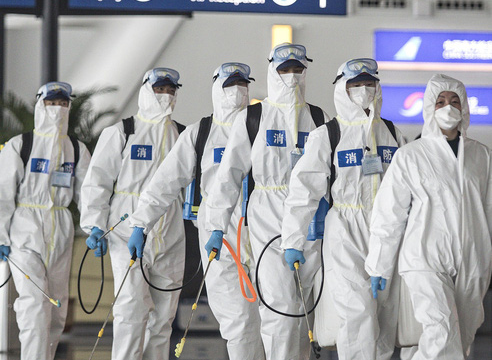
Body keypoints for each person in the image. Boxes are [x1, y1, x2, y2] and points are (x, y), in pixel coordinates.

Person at [127, 63, 265, 359]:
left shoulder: (263, 127)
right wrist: (141, 223)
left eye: (242, 84)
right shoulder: (200, 134)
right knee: (238, 320)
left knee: (274, 319)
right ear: (217, 88)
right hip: (219, 234)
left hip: (263, 227)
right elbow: (165, 182)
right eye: (230, 84)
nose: (237, 90)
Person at [204, 44, 329, 360]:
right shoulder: (254, 116)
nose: (292, 76)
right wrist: (216, 225)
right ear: (273, 71)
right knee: (279, 307)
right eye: (285, 69)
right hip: (267, 216)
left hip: (310, 220)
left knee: (303, 313)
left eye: (298, 69)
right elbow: (229, 174)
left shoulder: (318, 118)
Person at [282, 58, 405, 360]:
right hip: (345, 231)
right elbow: (304, 189)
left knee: (385, 314)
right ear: (342, 88)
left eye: (369, 83)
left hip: (387, 231)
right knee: (356, 312)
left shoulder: (392, 133)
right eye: (355, 84)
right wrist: (293, 240)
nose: (363, 90)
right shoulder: (328, 134)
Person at [366, 74, 492, 360]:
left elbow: (488, 210)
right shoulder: (411, 155)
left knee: (461, 340)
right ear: (429, 108)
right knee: (442, 332)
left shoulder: (482, 156)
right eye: (440, 101)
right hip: (425, 257)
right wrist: (379, 265)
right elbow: (389, 213)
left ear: (465, 107)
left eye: (455, 101)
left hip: (472, 260)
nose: (448, 107)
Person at [81, 67, 185, 360]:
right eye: (160, 89)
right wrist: (95, 225)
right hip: (126, 228)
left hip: (170, 229)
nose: (165, 95)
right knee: (130, 309)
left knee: (164, 316)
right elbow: (98, 181)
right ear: (146, 90)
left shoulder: (182, 135)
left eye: (171, 90)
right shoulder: (122, 132)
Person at [0, 82, 91, 359]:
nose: (58, 109)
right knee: (34, 302)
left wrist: (95, 227)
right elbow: (1, 193)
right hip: (25, 231)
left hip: (61, 230)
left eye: (63, 104)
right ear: (40, 106)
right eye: (52, 103)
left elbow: (88, 193)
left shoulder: (76, 149)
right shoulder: (21, 145)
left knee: (56, 309)